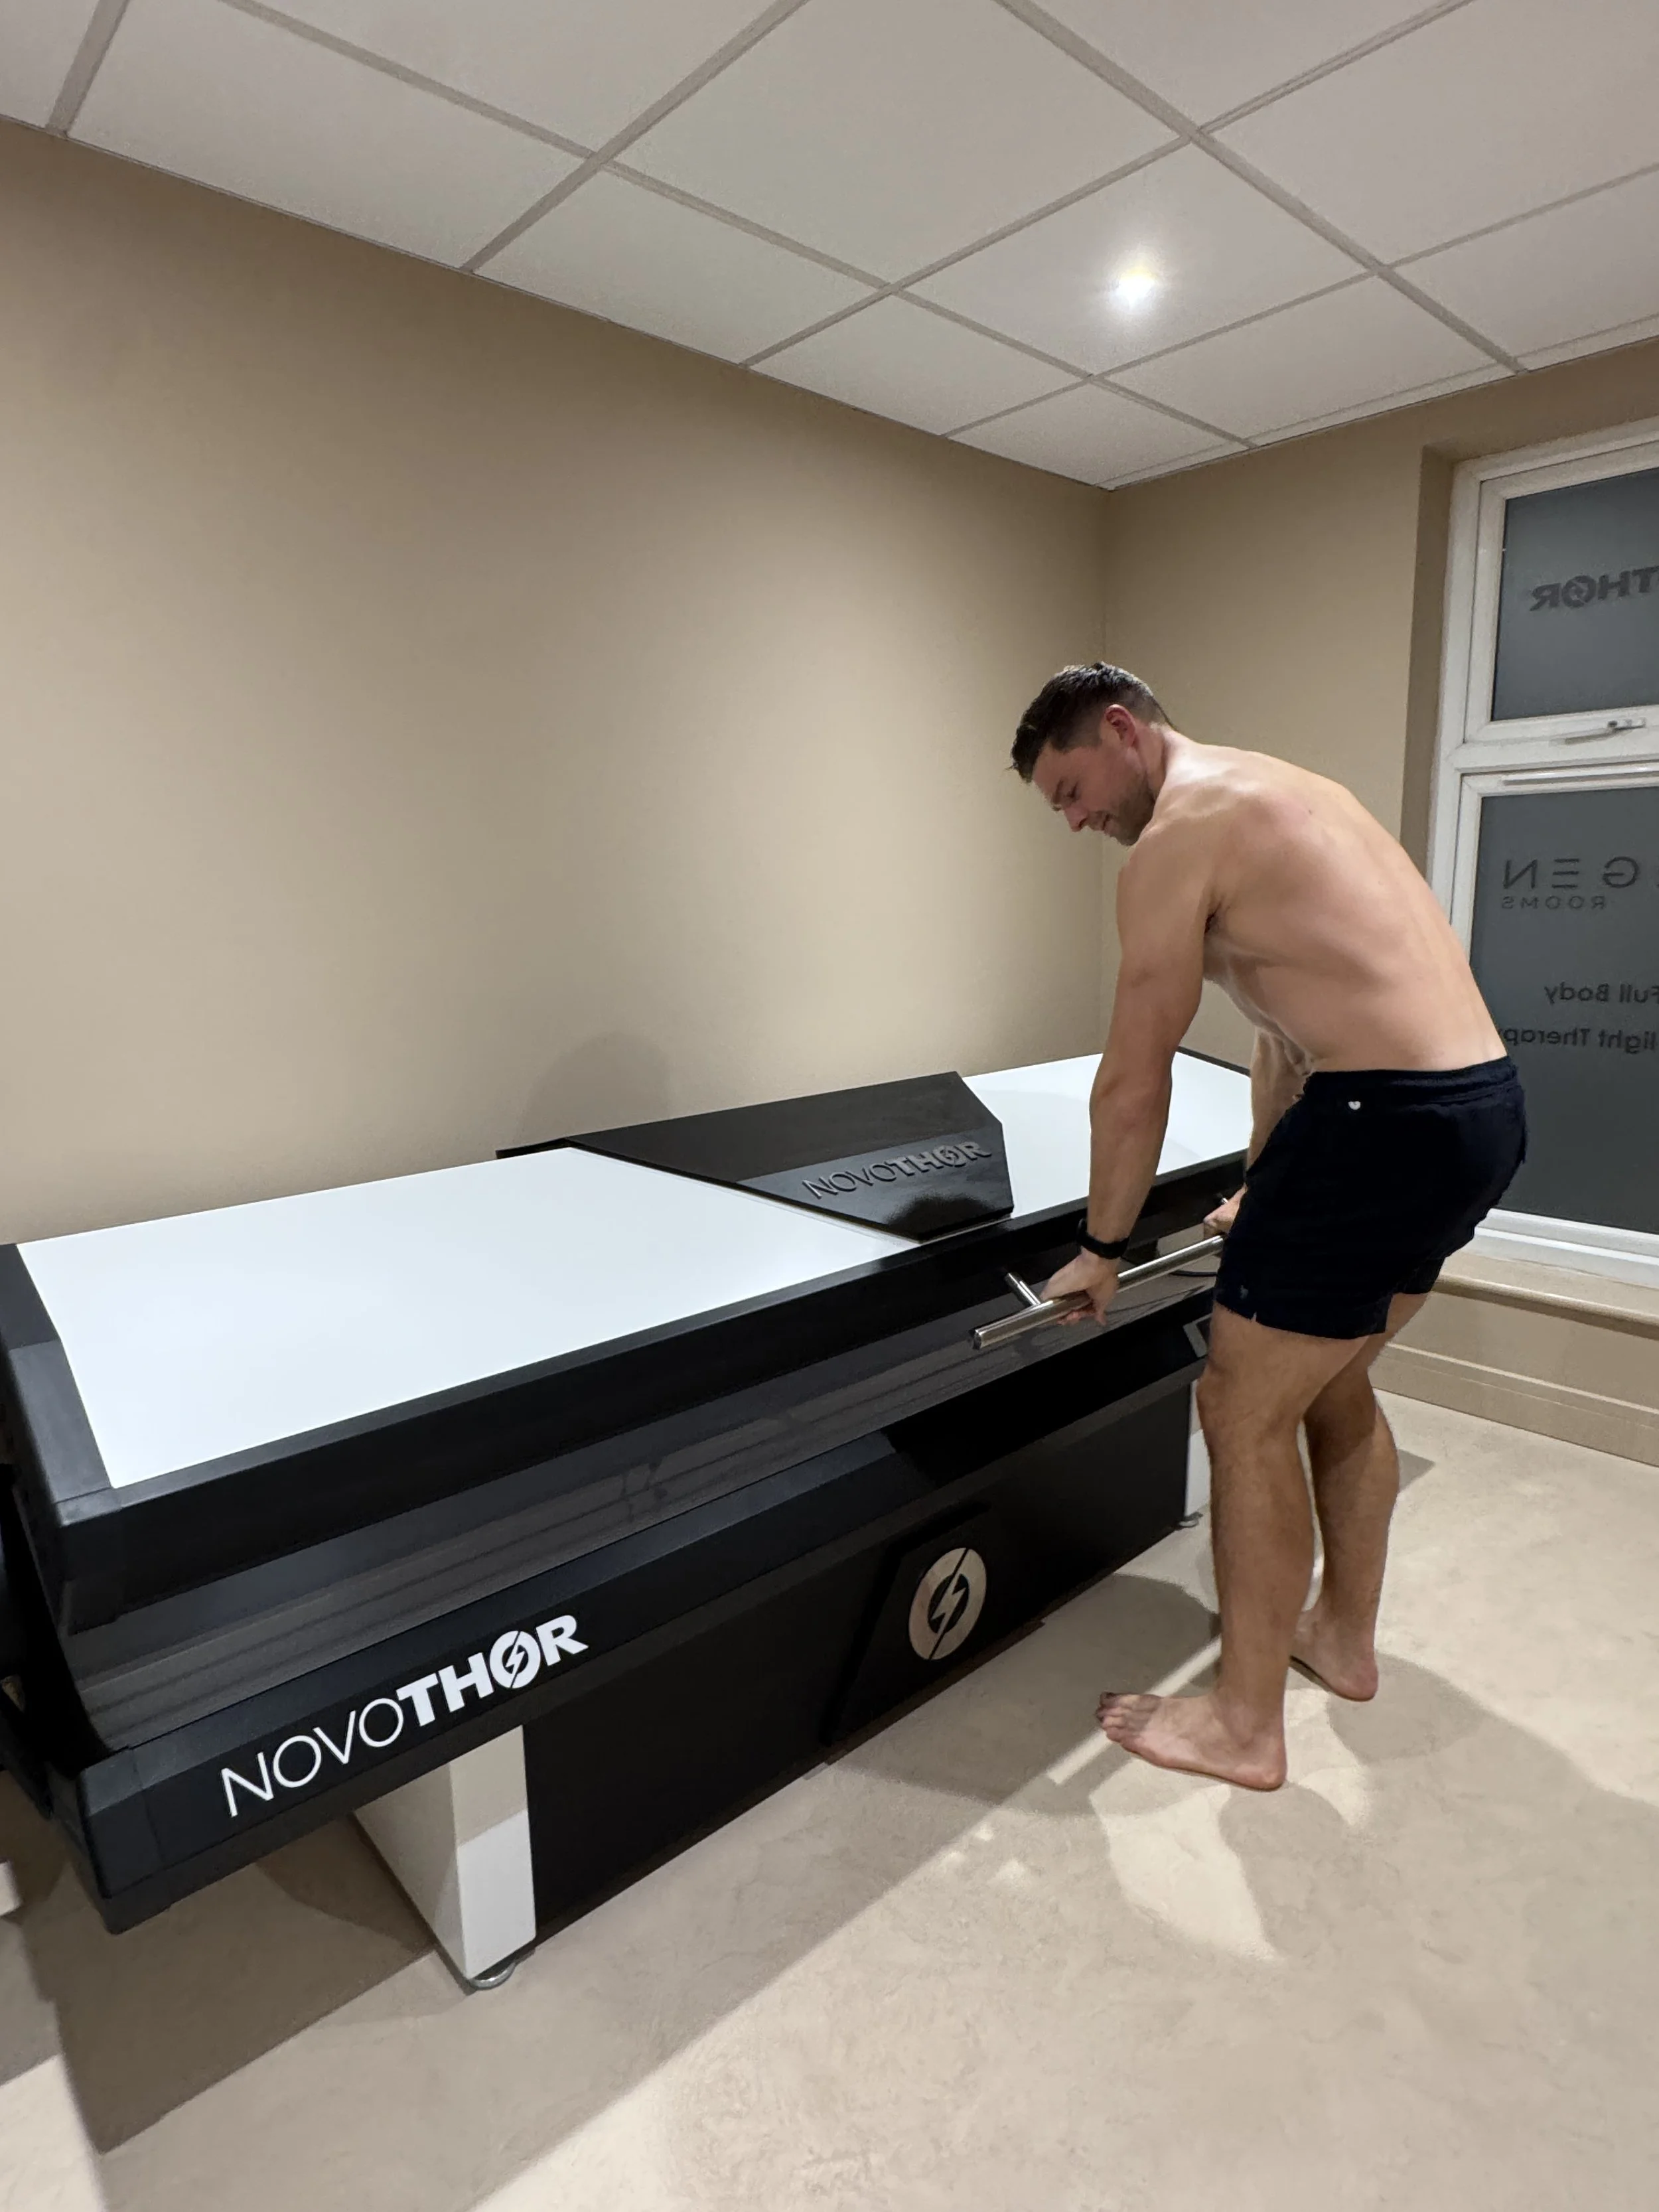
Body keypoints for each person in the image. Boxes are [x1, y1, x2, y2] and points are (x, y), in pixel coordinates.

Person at [1015, 662, 1525, 1790]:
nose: (1076, 820)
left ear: (1120, 729)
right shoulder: (1289, 792)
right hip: (1476, 1110)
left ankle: (1243, 1727)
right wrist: (1265, 1184)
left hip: (1380, 1123)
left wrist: (1101, 1251)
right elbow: (1284, 1034)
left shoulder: (1176, 838)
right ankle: (1339, 1638)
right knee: (1331, 1382)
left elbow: (1134, 1074)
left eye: (1071, 790)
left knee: (1239, 1410)